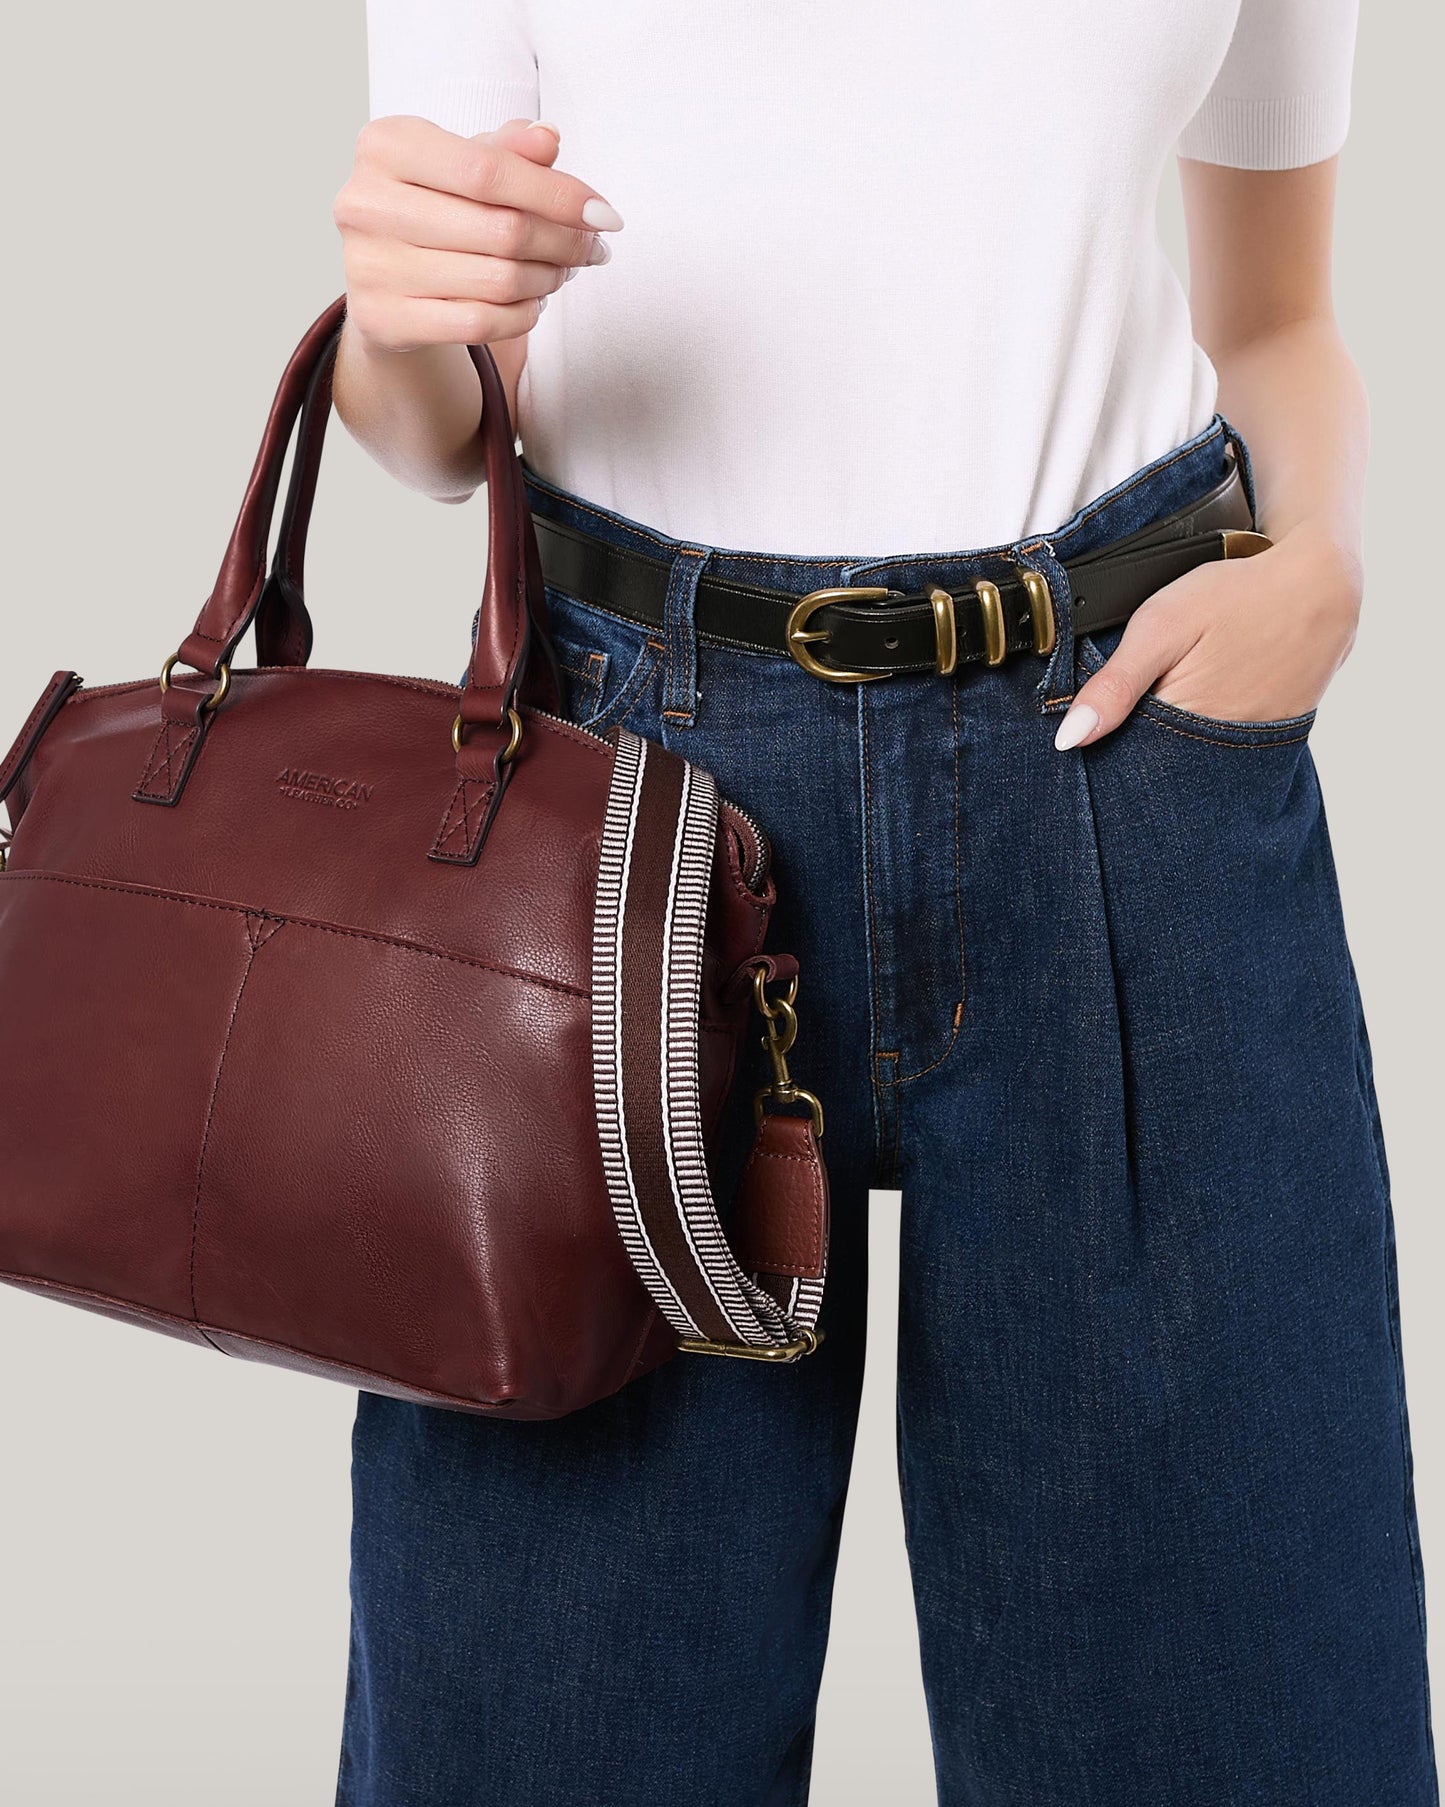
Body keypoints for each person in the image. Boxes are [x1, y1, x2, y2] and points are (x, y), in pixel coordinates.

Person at [329, 5, 1437, 1804]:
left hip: (1127, 753)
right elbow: (447, 411)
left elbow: (1273, 319)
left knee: (1235, 1725)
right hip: (624, 801)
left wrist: (1320, 562)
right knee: (542, 1735)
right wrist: (398, 322)